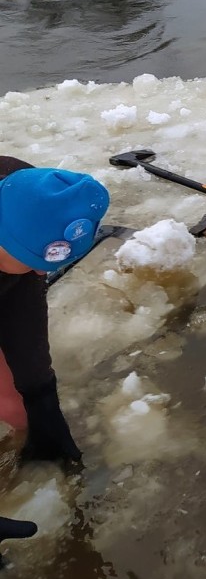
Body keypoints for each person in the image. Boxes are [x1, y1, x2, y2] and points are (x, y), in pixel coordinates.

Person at [0, 157, 110, 553]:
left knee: (22, 396)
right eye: (33, 263)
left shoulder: (27, 192)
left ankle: (31, 432)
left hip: (7, 259)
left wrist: (41, 400)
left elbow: (25, 329)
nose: (39, 274)